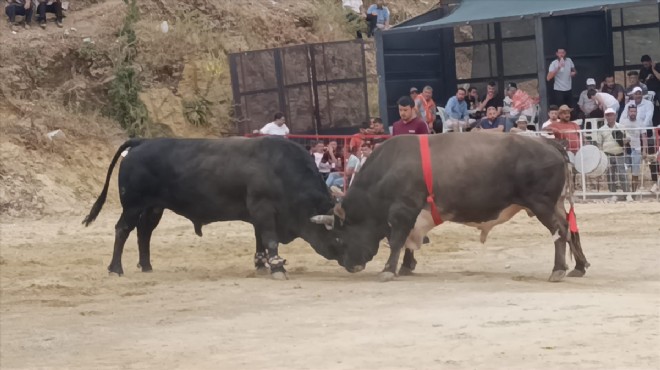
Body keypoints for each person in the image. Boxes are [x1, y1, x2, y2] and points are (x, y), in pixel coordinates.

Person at [596, 108, 631, 201]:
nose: (610, 117)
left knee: (622, 174)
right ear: (605, 117)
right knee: (610, 175)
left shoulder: (621, 127)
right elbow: (599, 144)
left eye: (611, 115)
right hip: (607, 154)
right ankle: (613, 194)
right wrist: (601, 156)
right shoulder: (601, 129)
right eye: (608, 115)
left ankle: (627, 193)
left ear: (615, 116)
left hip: (619, 153)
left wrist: (622, 140)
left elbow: (628, 138)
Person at [619, 105, 648, 194]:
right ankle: (626, 191)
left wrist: (644, 151)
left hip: (637, 150)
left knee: (635, 172)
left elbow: (644, 137)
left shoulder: (640, 123)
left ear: (636, 112)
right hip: (626, 150)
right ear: (628, 112)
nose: (633, 113)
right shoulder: (623, 123)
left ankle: (634, 192)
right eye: (631, 111)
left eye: (634, 111)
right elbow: (621, 137)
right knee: (624, 171)